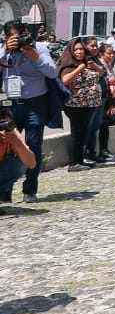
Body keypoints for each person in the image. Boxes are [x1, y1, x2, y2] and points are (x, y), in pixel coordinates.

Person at [0, 23, 60, 203]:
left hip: (36, 103)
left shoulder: (39, 47)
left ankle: (30, 190)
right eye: (15, 36)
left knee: (33, 145)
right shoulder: (3, 51)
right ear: (6, 37)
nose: (20, 40)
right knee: (7, 147)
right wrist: (4, 50)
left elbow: (52, 72)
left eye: (23, 35)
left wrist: (36, 58)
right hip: (11, 105)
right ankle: (4, 192)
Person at [57, 39, 103, 172]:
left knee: (84, 133)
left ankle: (80, 159)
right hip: (75, 105)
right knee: (76, 134)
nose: (79, 52)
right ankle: (73, 163)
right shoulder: (69, 65)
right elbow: (65, 79)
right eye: (76, 49)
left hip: (90, 104)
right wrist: (80, 68)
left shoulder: (89, 62)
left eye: (81, 49)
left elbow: (101, 73)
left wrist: (95, 67)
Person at [0, 104, 37, 215]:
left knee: (19, 163)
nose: (4, 124)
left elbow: (31, 163)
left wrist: (15, 141)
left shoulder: (9, 132)